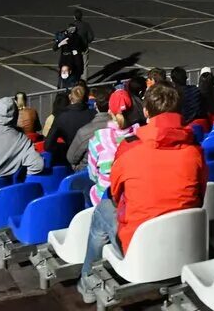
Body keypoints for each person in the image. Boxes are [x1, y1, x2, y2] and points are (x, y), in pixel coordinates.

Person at [77, 85, 206, 303]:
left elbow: (117, 195)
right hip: (186, 240)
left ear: (146, 112)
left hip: (140, 245)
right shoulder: (195, 150)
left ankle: (87, 280)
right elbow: (200, 195)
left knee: (103, 209)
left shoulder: (130, 148)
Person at [84, 88, 141, 208]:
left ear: (109, 111)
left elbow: (92, 175)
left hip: (106, 199)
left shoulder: (98, 139)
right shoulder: (141, 135)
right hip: (134, 195)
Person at [65, 86, 115, 169]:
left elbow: (71, 158)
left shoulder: (84, 132)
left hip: (89, 171)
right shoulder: (121, 126)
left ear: (96, 105)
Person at [45, 86, 95, 165]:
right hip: (91, 157)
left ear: (70, 97)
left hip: (70, 159)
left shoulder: (61, 117)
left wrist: (64, 147)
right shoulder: (93, 114)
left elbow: (48, 145)